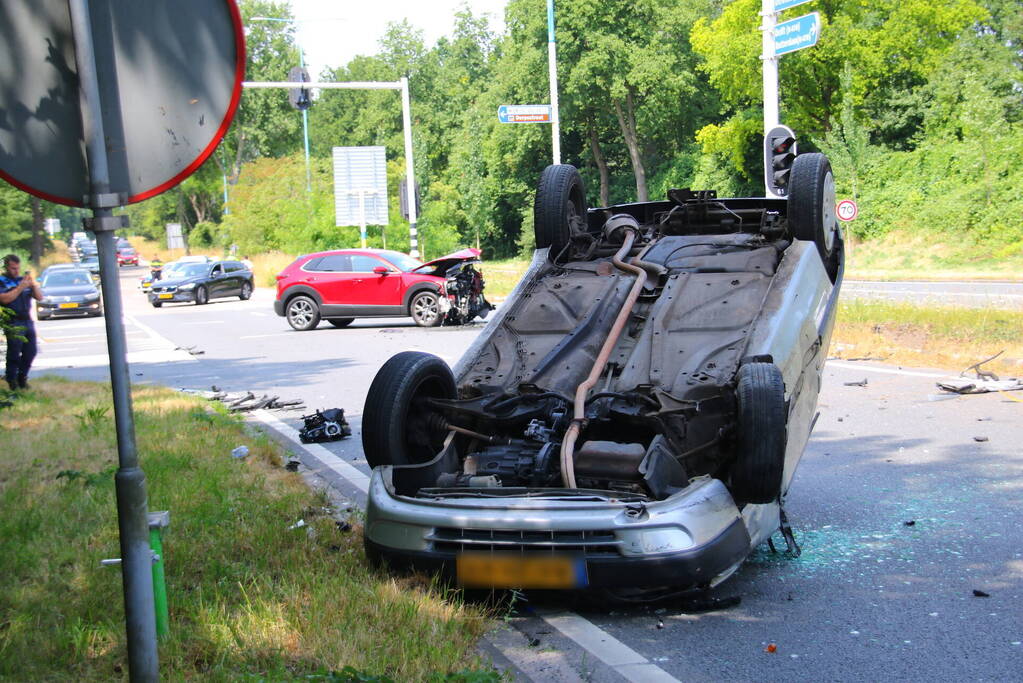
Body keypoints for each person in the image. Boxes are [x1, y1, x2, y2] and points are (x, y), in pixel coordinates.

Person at [0, 254, 43, 391]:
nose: (16, 271)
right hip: (13, 321)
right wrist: (20, 287)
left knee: (31, 351)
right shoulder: (2, 282)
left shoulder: (22, 280)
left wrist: (32, 284)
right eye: (13, 268)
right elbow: (4, 299)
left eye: (18, 268)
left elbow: (39, 297)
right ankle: (12, 379)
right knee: (14, 352)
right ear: (6, 267)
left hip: (27, 320)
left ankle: (22, 376)